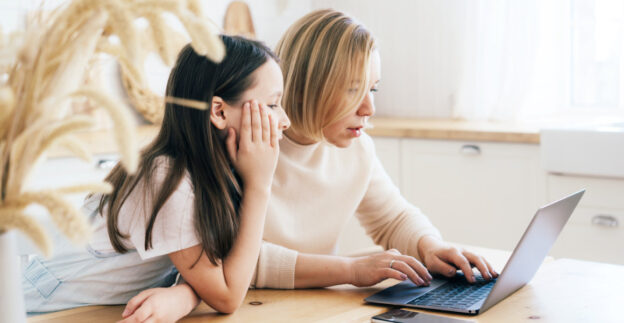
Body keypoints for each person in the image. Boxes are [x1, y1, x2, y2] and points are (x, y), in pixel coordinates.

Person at [120, 9, 499, 322]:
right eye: (353, 89)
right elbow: (234, 260)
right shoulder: (240, 148)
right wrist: (349, 269)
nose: (369, 109)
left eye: (373, 89)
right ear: (308, 84)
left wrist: (429, 246)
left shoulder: (355, 147)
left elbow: (392, 218)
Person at [21, 35, 291, 318]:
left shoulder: (217, 172)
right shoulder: (166, 178)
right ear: (219, 111)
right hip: (40, 311)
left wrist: (184, 294)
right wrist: (259, 186)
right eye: (273, 105)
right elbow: (227, 296)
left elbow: (223, 266)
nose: (286, 120)